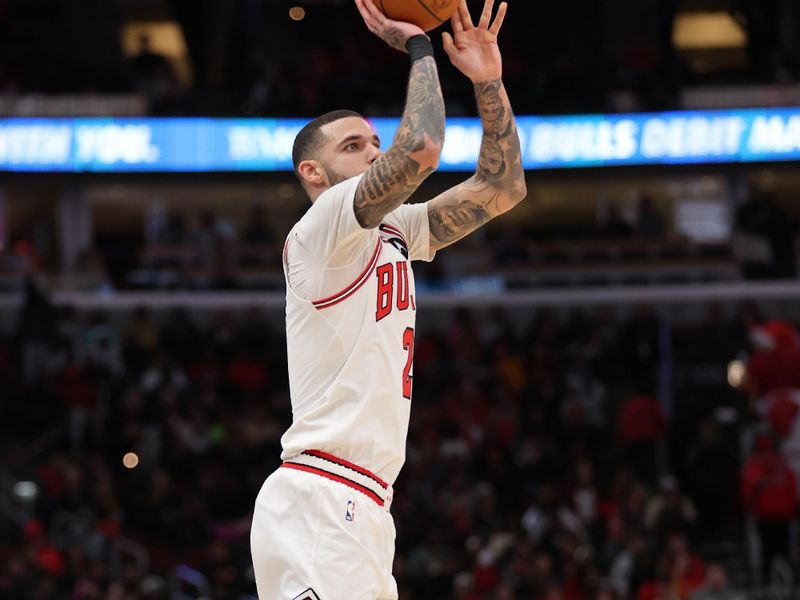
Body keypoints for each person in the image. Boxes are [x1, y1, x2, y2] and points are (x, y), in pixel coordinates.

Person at [249, 0, 527, 598]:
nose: (373, 151)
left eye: (375, 141)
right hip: (321, 497)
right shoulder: (321, 226)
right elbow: (421, 149)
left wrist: (488, 81)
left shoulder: (395, 228)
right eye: (353, 146)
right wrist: (419, 46)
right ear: (313, 174)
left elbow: (502, 188)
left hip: (364, 505)